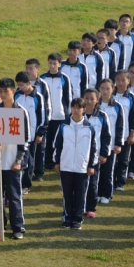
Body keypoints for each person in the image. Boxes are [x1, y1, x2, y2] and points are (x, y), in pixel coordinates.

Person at [0, 77, 29, 240]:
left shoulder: (21, 111)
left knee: (14, 195)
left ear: (13, 91)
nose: (3, 94)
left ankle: (17, 226)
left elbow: (26, 139)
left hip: (12, 162)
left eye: (6, 91)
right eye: (1, 91)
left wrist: (19, 161)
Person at [54, 98, 97, 230]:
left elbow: (94, 148)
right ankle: (67, 218)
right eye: (73, 107)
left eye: (79, 108)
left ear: (84, 109)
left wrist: (91, 165)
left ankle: (77, 219)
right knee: (67, 194)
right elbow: (57, 145)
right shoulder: (63, 126)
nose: (76, 110)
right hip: (66, 166)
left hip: (82, 167)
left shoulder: (89, 128)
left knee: (80, 195)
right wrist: (57, 162)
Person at [14, 71, 46, 195]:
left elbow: (42, 116)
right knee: (17, 159)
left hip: (31, 135)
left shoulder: (38, 97)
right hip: (16, 133)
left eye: (22, 85)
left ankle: (26, 184)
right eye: (18, 85)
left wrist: (40, 133)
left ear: (29, 83)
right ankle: (16, 182)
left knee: (29, 160)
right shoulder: (17, 95)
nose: (20, 87)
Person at [82, 88, 112, 219]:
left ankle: (90, 208)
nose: (88, 101)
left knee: (93, 183)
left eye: (92, 98)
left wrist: (104, 154)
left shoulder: (102, 116)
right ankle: (78, 206)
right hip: (78, 156)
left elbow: (106, 136)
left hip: (94, 156)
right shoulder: (76, 115)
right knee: (78, 183)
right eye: (86, 98)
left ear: (97, 100)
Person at [41, 53, 72, 171]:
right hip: (47, 115)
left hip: (60, 115)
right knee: (47, 140)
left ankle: (58, 161)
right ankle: (47, 161)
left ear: (59, 64)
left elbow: (68, 97)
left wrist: (68, 113)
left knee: (58, 140)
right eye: (50, 63)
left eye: (55, 63)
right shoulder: (43, 78)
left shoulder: (64, 78)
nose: (52, 65)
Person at [98, 78, 125, 205]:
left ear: (112, 89)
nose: (105, 91)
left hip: (111, 145)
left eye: (108, 88)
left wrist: (118, 143)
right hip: (96, 145)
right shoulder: (95, 105)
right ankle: (97, 193)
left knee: (108, 171)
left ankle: (107, 194)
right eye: (102, 88)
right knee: (96, 171)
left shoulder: (117, 106)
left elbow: (120, 126)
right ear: (99, 90)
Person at [112, 70, 134, 191]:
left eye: (123, 80)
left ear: (128, 81)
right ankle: (110, 181)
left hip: (125, 134)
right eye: (118, 80)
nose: (121, 83)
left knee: (123, 160)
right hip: (111, 135)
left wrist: (132, 134)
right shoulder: (110, 96)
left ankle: (120, 183)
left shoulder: (132, 98)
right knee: (110, 161)